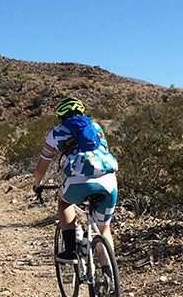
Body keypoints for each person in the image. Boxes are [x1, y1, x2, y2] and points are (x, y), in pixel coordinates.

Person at [32, 97, 118, 261]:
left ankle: (71, 250)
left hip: (78, 180)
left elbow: (40, 168)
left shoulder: (56, 133)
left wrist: (37, 185)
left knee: (64, 202)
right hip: (108, 181)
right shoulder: (96, 127)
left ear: (60, 117)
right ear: (83, 112)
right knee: (104, 228)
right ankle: (109, 277)